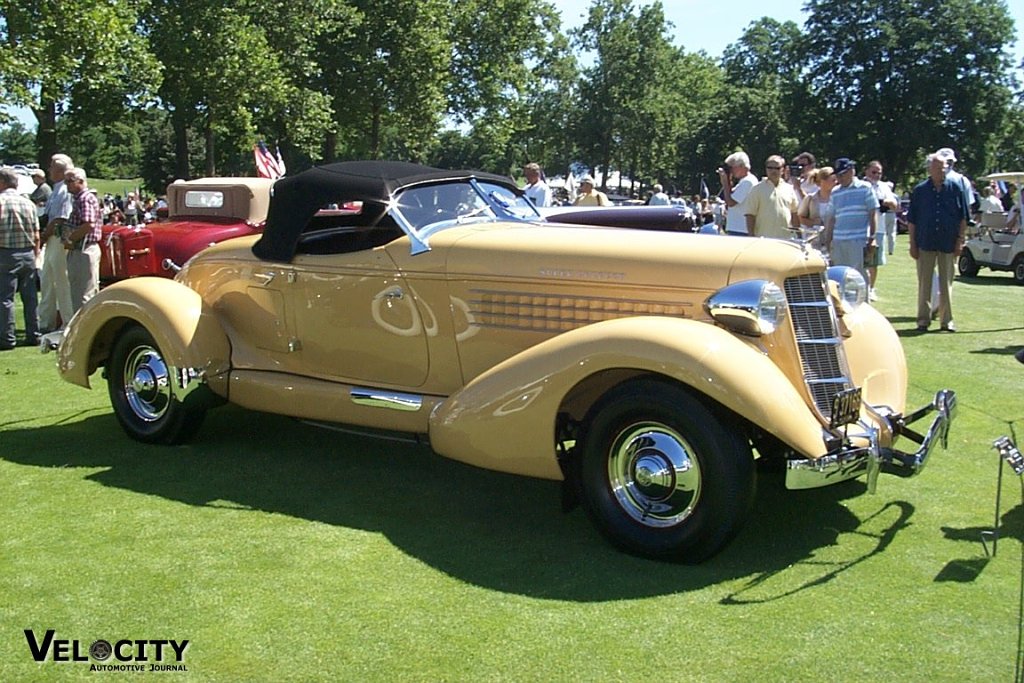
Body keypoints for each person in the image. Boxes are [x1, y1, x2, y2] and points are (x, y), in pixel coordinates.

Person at [907, 152, 969, 332]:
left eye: (944, 168)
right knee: (924, 283)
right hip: (925, 241)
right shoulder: (920, 190)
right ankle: (923, 320)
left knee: (946, 283)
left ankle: (946, 321)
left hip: (948, 242)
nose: (942, 171)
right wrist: (912, 244)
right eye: (938, 168)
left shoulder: (955, 188)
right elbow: (912, 220)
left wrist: (960, 240)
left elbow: (963, 217)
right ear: (930, 169)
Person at [0, 167, 41, 350]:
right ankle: (34, 334)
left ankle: (7, 338)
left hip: (6, 252)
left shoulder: (1, 201)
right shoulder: (28, 203)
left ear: (2, 182)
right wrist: (36, 253)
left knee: (5, 298)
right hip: (28, 253)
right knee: (30, 298)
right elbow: (36, 233)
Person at [824, 157, 878, 284]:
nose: (840, 178)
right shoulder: (835, 192)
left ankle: (862, 302)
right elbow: (831, 218)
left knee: (859, 275)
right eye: (838, 175)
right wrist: (828, 240)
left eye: (842, 174)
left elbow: (873, 213)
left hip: (859, 240)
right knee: (838, 275)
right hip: (838, 240)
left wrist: (873, 237)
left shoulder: (865, 188)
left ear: (852, 171)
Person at [39, 153, 75, 332]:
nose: (49, 170)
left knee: (61, 281)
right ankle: (46, 322)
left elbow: (60, 219)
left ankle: (68, 322)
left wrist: (44, 234)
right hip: (52, 239)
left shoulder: (64, 190)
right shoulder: (56, 189)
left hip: (59, 239)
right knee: (48, 280)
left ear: (60, 170)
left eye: (52, 167)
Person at [62, 167, 103, 313]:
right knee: (78, 293)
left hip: (84, 249)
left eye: (69, 181)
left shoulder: (85, 199)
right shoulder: (79, 199)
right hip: (80, 250)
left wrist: (70, 238)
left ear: (80, 181)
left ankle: (84, 332)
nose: (66, 185)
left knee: (84, 295)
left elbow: (89, 224)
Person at [863, 161, 899, 301]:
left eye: (879, 172)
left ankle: (871, 288)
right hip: (861, 227)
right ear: (866, 171)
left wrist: (884, 202)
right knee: (861, 260)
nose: (877, 175)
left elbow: (894, 205)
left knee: (874, 261)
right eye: (874, 172)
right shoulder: (861, 185)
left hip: (879, 228)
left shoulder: (884, 187)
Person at [743, 155, 799, 239]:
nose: (773, 171)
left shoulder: (789, 188)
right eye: (770, 168)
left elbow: (794, 213)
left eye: (777, 168)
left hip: (785, 239)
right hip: (763, 239)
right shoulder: (757, 189)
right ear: (766, 169)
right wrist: (751, 236)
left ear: (783, 170)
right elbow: (750, 215)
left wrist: (798, 234)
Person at [796, 166, 836, 251]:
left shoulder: (837, 198)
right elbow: (800, 217)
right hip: (815, 242)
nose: (836, 183)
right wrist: (813, 223)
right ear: (823, 181)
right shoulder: (810, 198)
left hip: (834, 240)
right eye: (832, 180)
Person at [718, 151, 756, 235]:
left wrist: (725, 183)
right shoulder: (743, 182)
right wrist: (728, 181)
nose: (731, 171)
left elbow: (731, 202)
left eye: (732, 168)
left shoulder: (748, 182)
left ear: (742, 166)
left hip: (741, 228)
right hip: (737, 227)